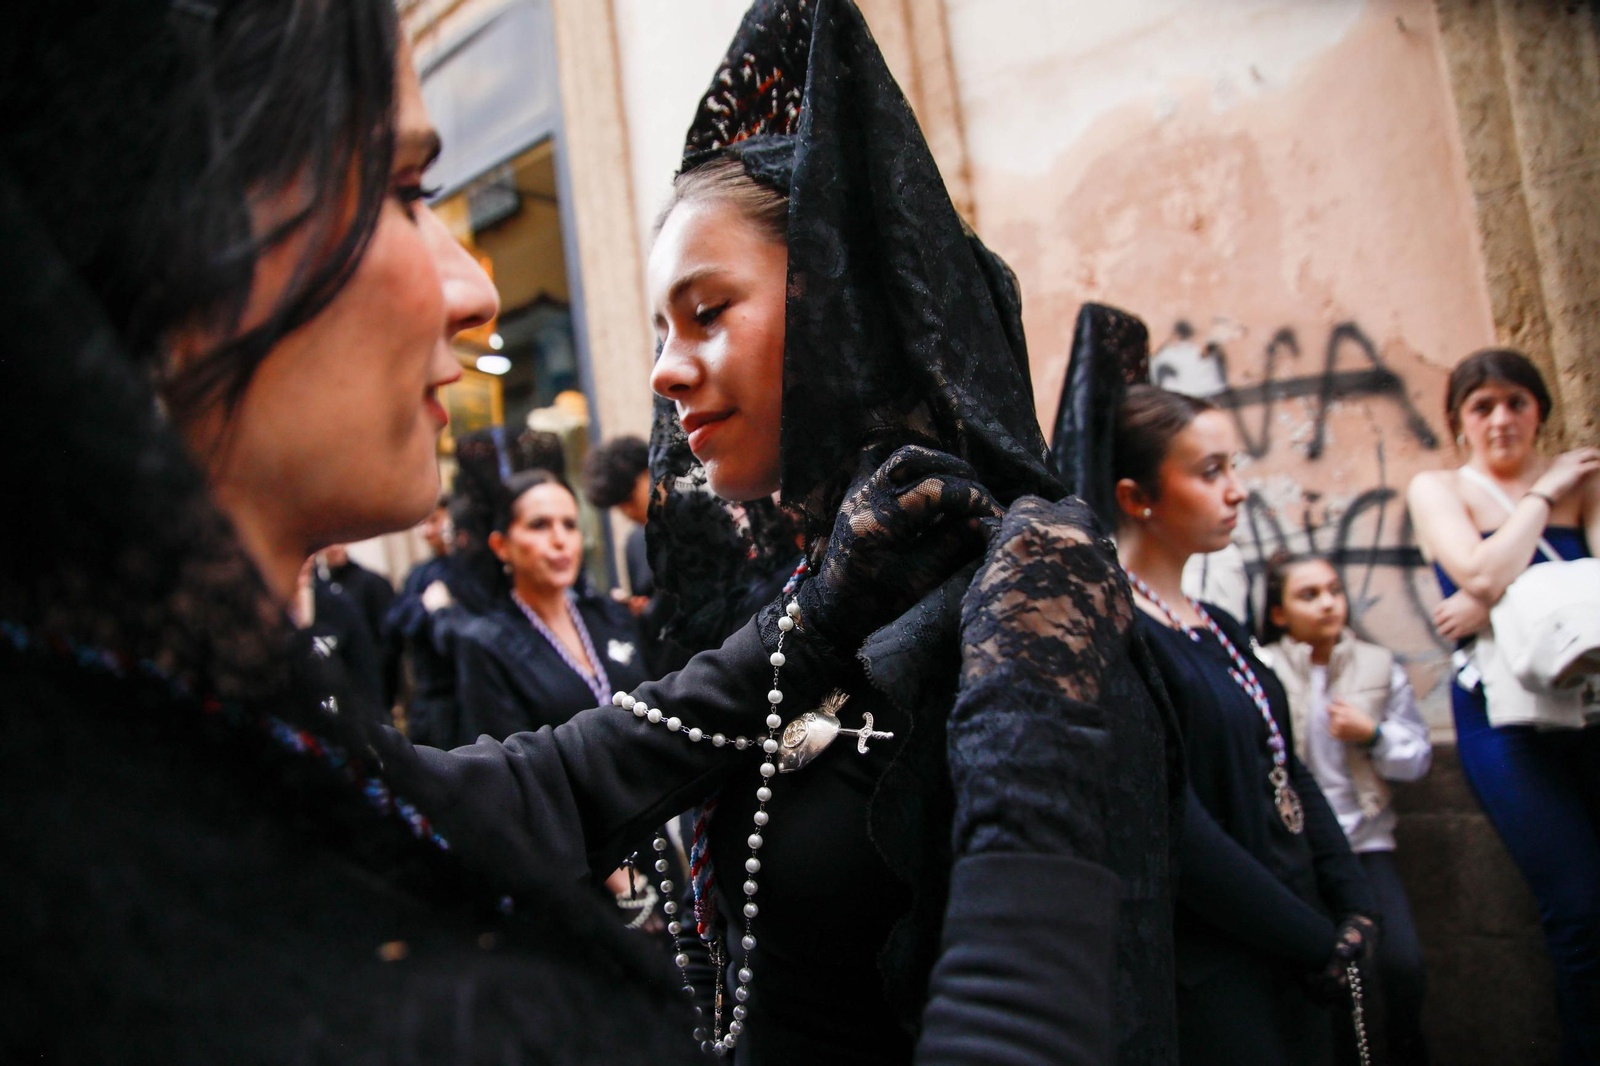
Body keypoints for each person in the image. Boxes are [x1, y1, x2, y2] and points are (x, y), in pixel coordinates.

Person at [373, 1, 1181, 1061]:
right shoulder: (799, 589)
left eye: (707, 312)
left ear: (841, 310)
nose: (662, 371)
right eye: (661, 325)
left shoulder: (1015, 591)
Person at [1111, 385, 1377, 1066]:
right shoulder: (1122, 635)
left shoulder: (1221, 629)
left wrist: (1352, 901)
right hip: (1220, 964)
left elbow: (1284, 763)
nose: (1236, 492)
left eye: (1233, 468)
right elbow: (1181, 830)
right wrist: (1312, 937)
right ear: (1138, 497)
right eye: (1210, 472)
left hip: (1301, 942)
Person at [1406, 348, 1600, 1063]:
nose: (1501, 419)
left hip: (1591, 704)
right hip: (1502, 719)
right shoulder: (1439, 488)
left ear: (1540, 409)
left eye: (1517, 402)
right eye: (1482, 406)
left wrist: (1489, 598)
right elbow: (1478, 567)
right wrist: (1545, 497)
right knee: (1578, 905)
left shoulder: (1591, 485)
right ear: (1459, 422)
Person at [1259, 554, 1433, 1065]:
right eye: (1308, 595)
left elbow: (1418, 758)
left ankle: (1406, 1049)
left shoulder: (1378, 666)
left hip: (1366, 842)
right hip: (1299, 849)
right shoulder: (1260, 668)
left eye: (1334, 590)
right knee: (1323, 973)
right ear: (1279, 613)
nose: (1329, 603)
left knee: (1403, 965)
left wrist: (1373, 734)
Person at [383, 494, 463, 745]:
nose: (428, 531)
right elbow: (395, 621)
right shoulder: (419, 573)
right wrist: (426, 608)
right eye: (423, 524)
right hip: (427, 697)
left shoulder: (469, 569)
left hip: (460, 694)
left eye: (435, 520)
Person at [311, 542, 396, 717]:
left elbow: (388, 644)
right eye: (327, 543)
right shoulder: (323, 591)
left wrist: (388, 696)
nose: (333, 548)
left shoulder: (370, 584)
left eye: (338, 541)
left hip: (368, 697)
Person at [582, 434, 655, 612]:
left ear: (649, 473)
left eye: (630, 499)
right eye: (620, 506)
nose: (629, 512)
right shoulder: (637, 543)